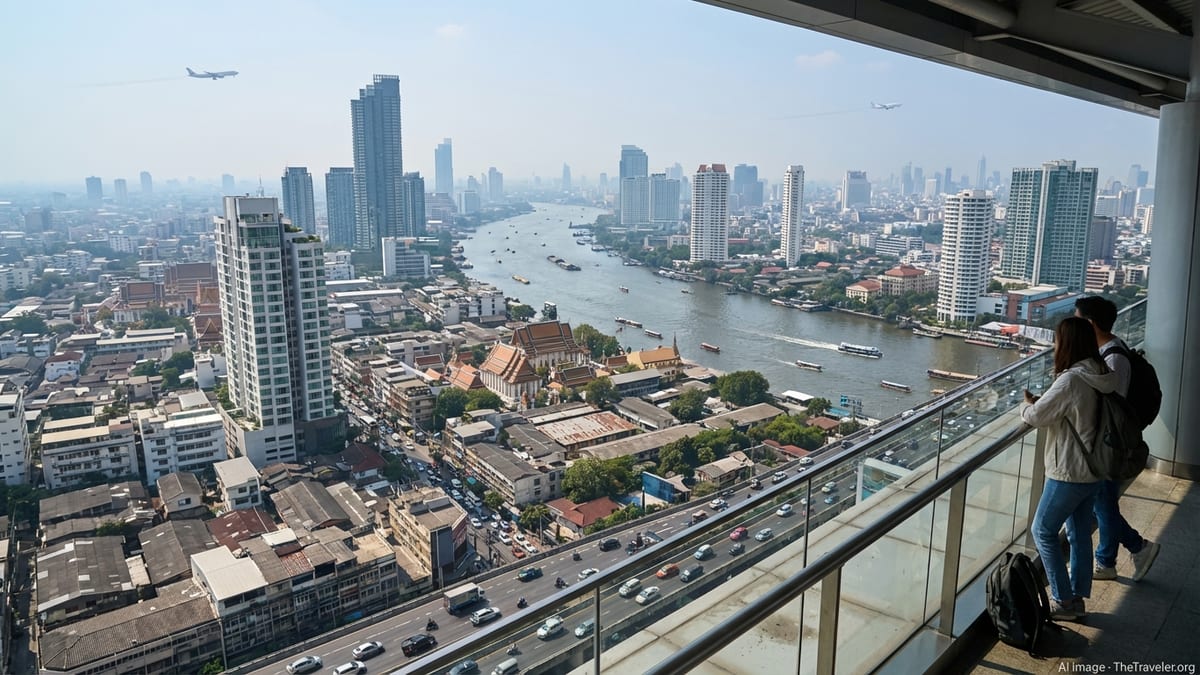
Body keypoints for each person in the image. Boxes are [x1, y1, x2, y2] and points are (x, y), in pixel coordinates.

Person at [1022, 316, 1119, 621]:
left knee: (1043, 529)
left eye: (1057, 340)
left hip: (1069, 470)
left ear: (1067, 343)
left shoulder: (1071, 379)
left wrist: (1026, 406)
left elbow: (1035, 417)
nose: (1054, 346)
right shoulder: (1101, 372)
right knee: (1078, 531)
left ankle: (1063, 600)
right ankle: (1076, 596)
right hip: (1094, 468)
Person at [1074, 296, 1161, 582]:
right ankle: (1123, 553)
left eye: (1077, 319)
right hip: (1109, 439)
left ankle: (1122, 554)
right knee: (1103, 501)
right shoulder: (1109, 349)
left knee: (1103, 501)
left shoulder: (1113, 358)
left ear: (1089, 323)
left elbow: (1114, 404)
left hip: (1111, 442)